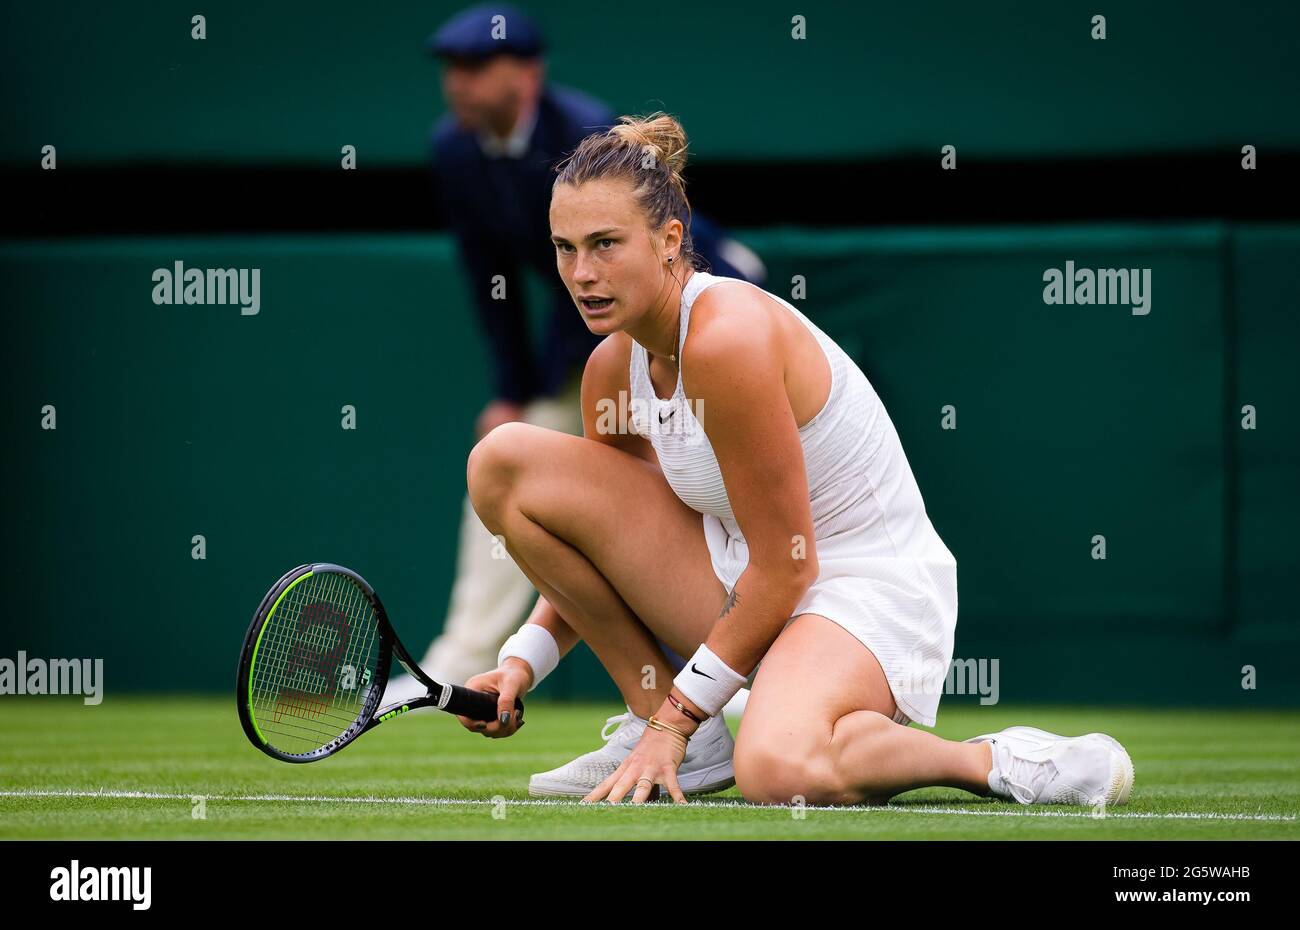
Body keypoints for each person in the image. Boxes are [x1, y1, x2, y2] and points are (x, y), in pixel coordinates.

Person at [455, 111, 1136, 807]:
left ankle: (995, 760)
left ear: (670, 240)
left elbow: (788, 565)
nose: (581, 274)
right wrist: (521, 663)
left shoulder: (726, 340)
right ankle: (665, 717)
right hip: (743, 580)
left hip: (864, 590)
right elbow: (601, 548)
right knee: (503, 463)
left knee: (779, 773)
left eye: (605, 244)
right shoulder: (612, 368)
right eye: (564, 248)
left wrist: (677, 720)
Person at [384, 4, 764, 713]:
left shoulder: (581, 135)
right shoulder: (456, 151)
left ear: (527, 74)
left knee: (712, 494)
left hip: (706, 299)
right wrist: (513, 388)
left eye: (476, 66)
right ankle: (466, 659)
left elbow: (604, 282)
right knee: (514, 471)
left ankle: (736, 674)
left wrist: (588, 364)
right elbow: (490, 276)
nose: (458, 82)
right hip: (611, 337)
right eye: (451, 68)